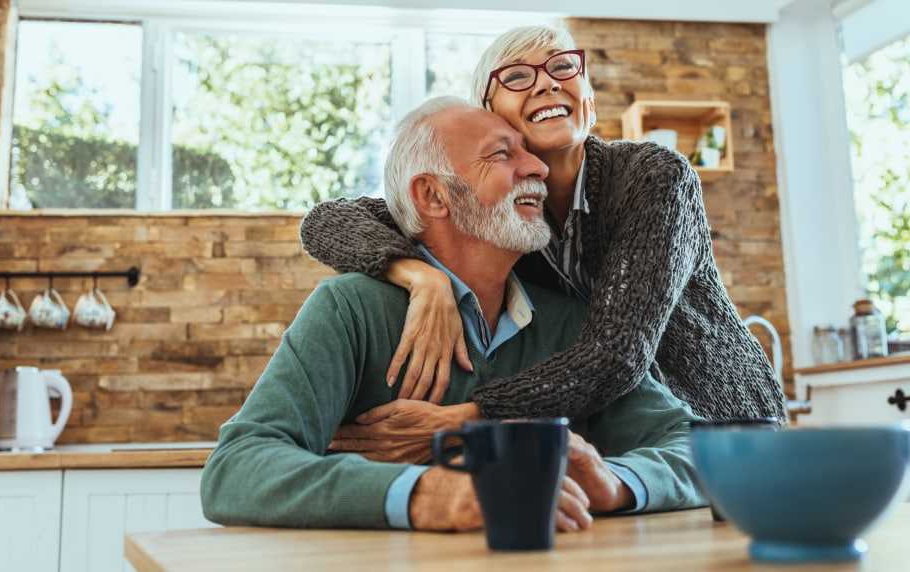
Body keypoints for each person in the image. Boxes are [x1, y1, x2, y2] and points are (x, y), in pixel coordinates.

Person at [201, 97, 706, 532]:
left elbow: (695, 448)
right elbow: (237, 468)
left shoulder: (572, 324)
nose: (538, 168)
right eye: (502, 155)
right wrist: (428, 494)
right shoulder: (351, 309)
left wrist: (616, 483)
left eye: (529, 153)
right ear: (432, 195)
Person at [299, 26, 785, 462]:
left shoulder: (654, 177)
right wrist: (418, 275)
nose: (548, 82)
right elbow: (327, 220)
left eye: (561, 66)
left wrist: (466, 416)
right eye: (516, 76)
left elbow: (616, 354)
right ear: (491, 117)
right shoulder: (496, 213)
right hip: (619, 444)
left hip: (723, 425)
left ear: (588, 99)